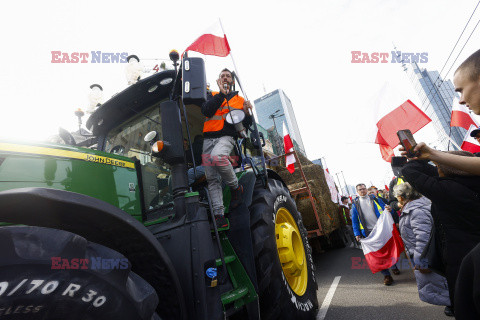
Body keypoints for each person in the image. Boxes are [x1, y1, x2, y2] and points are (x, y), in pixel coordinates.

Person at [400, 151, 480, 315]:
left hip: (461, 258)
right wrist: (435, 159)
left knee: (466, 304)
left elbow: (408, 171)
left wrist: (421, 155)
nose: (436, 169)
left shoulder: (449, 190)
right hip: (474, 252)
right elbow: (447, 170)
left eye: (438, 167)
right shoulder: (467, 184)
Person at [201, 68, 253, 228]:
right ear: (218, 80)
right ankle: (219, 215)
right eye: (222, 76)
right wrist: (222, 95)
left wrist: (248, 114)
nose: (225, 77)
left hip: (226, 137)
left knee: (218, 157)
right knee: (212, 179)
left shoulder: (240, 99)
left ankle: (236, 187)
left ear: (232, 81)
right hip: (208, 139)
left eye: (228, 76)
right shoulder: (213, 95)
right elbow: (206, 111)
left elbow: (246, 124)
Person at [392, 182, 451, 314]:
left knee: (441, 284)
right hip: (430, 255)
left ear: (402, 197)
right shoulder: (419, 206)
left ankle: (454, 305)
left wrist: (422, 263)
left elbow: (423, 239)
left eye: (397, 197)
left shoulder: (416, 211)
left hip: (427, 257)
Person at [351, 183, 400, 285]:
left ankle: (394, 266)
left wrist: (390, 211)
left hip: (382, 229)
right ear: (357, 192)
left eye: (364, 189)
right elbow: (354, 221)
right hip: (368, 233)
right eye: (360, 189)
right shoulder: (355, 204)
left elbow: (387, 210)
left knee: (387, 249)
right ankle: (387, 275)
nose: (363, 191)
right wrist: (357, 234)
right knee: (378, 254)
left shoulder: (375, 199)